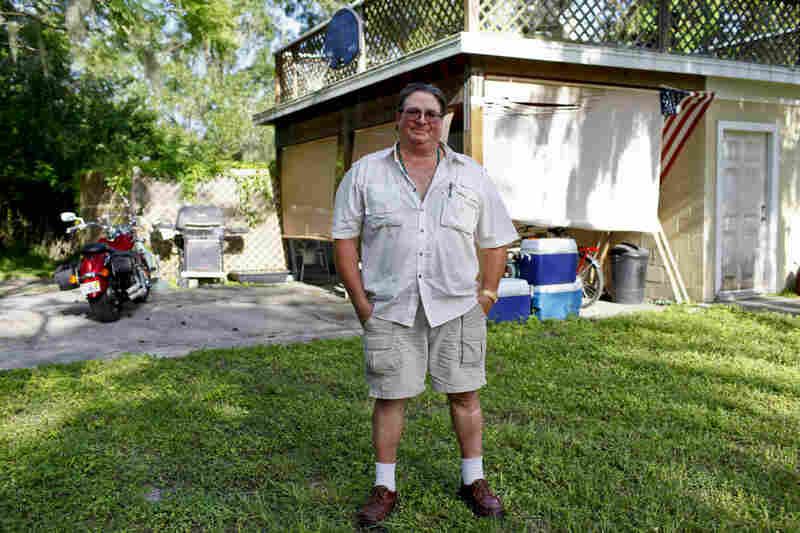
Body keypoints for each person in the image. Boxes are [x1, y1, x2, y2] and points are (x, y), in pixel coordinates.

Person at [332, 82, 518, 528]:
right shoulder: (364, 174)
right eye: (413, 112)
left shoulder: (470, 174)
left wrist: (487, 295)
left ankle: (473, 479)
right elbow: (344, 239)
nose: (422, 120)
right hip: (391, 308)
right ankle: (385, 486)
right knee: (390, 397)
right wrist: (360, 302)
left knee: (465, 395)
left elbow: (494, 240)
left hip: (457, 307)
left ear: (443, 122)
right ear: (397, 118)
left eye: (431, 114)